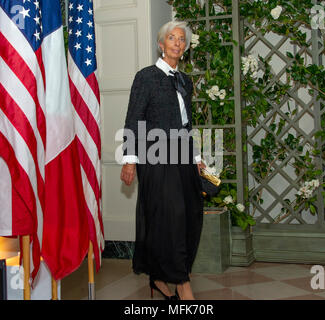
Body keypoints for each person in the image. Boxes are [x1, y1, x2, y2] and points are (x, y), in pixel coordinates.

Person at [120, 21, 205, 300]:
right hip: (155, 156)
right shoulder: (146, 76)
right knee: (171, 218)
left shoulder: (184, 81)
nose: (178, 43)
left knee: (191, 214)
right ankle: (182, 283)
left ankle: (158, 277)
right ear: (161, 44)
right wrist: (130, 160)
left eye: (182, 39)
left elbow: (186, 124)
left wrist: (196, 158)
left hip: (182, 156)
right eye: (172, 38)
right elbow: (134, 119)